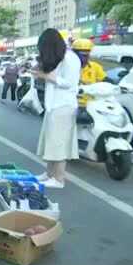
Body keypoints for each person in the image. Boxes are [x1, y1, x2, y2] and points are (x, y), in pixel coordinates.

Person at [32, 28, 81, 189]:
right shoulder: (60, 58)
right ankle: (50, 174)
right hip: (54, 106)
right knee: (51, 141)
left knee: (58, 143)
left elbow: (69, 83)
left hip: (64, 106)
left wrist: (45, 76)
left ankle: (59, 179)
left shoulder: (70, 58)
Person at [73, 38, 105, 107]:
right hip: (73, 106)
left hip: (91, 106)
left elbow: (105, 82)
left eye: (87, 55)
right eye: (83, 55)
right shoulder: (69, 68)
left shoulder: (96, 67)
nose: (86, 58)